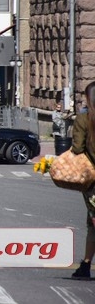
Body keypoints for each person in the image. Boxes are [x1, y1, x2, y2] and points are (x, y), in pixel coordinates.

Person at [70, 81, 95, 279]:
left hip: (93, 180)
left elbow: (77, 148)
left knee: (93, 222)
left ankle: (86, 265)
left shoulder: (85, 118)